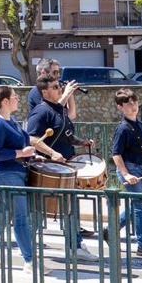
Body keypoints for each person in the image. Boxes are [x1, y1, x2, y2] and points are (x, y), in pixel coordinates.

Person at [0, 86, 64, 268]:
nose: (18, 99)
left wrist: (32, 155)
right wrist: (20, 152)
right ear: (5, 101)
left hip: (14, 171)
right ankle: (30, 261)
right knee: (20, 216)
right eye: (15, 96)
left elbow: (25, 146)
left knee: (5, 214)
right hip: (1, 172)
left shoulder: (13, 121)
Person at [26, 74, 93, 258]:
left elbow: (68, 136)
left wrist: (82, 142)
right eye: (55, 87)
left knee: (70, 207)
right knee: (40, 210)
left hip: (65, 168)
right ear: (45, 91)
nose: (59, 89)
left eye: (59, 86)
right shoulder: (41, 111)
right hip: (48, 169)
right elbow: (31, 138)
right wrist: (52, 153)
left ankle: (75, 246)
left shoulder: (59, 110)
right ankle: (28, 246)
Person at [109, 88, 142, 259]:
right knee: (140, 206)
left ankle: (110, 230)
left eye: (135, 102)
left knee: (136, 206)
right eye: (128, 103)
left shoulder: (140, 125)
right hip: (129, 170)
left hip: (140, 168)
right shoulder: (122, 129)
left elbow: (139, 150)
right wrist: (125, 174)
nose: (133, 106)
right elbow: (116, 154)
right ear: (120, 107)